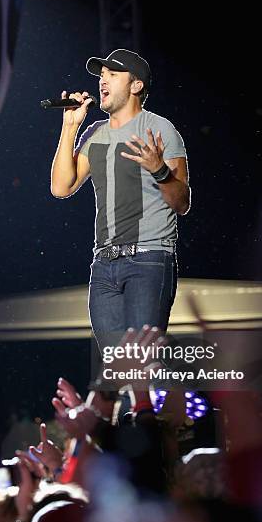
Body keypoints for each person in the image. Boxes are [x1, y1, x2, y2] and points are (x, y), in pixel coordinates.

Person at [50, 49, 190, 353]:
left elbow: (181, 202)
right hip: (103, 265)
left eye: (113, 74)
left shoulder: (160, 129)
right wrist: (70, 126)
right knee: (118, 364)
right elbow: (62, 187)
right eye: (102, 76)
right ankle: (138, 401)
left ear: (136, 85)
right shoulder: (95, 134)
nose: (103, 81)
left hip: (149, 258)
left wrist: (160, 170)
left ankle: (169, 398)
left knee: (142, 360)